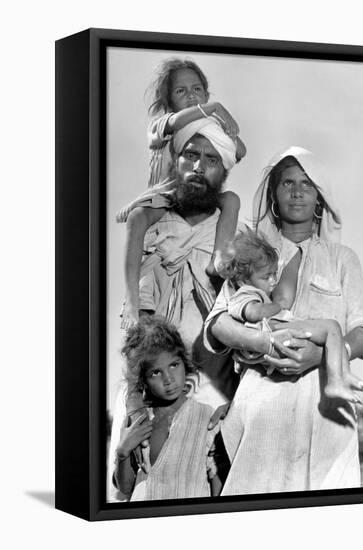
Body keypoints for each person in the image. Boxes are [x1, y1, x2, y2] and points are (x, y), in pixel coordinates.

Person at [204, 146, 363, 495]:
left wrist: (323, 355)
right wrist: (264, 343)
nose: (297, 191)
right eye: (287, 183)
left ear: (319, 197)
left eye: (307, 183)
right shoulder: (250, 253)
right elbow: (219, 323)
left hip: (326, 412)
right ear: (273, 194)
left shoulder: (342, 259)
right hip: (262, 408)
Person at [108, 120, 239, 502]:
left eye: (211, 159)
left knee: (217, 476)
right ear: (176, 161)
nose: (199, 166)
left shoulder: (229, 226)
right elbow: (134, 309)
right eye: (191, 156)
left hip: (209, 368)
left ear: (223, 171)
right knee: (132, 473)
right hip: (150, 366)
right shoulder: (151, 219)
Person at [117, 59, 247, 327]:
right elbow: (176, 122)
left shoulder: (208, 127)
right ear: (168, 100)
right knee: (138, 218)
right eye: (181, 91)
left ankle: (220, 257)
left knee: (231, 199)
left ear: (205, 91)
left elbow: (240, 152)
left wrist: (224, 130)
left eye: (197, 89)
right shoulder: (164, 122)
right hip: (165, 196)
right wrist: (212, 109)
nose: (191, 96)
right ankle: (132, 299)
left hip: (198, 192)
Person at [219, 228, 363, 403]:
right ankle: (335, 380)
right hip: (273, 329)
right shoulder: (244, 293)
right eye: (267, 276)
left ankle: (341, 375)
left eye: (275, 273)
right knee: (332, 327)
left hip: (274, 331)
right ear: (242, 279)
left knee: (332, 332)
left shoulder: (252, 289)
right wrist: (277, 306)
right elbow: (253, 313)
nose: (273, 280)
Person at [113, 315, 221, 501]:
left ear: (184, 363)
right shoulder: (139, 422)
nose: (168, 379)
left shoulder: (206, 416)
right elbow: (126, 487)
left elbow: (216, 479)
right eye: (156, 372)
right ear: (143, 379)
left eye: (173, 365)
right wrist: (123, 452)